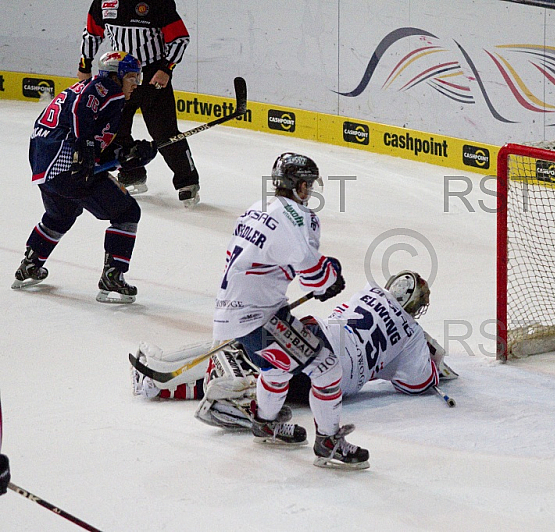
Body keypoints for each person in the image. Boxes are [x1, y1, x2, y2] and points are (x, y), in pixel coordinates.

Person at [130, 271, 457, 426]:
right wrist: (431, 355)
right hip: (329, 375)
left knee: (243, 347)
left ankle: (158, 371)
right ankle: (170, 384)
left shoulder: (369, 292)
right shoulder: (413, 334)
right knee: (251, 367)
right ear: (416, 308)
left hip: (315, 332)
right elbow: (418, 384)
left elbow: (340, 317)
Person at [215, 152, 368, 469]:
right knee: (327, 368)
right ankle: (329, 442)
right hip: (257, 318)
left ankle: (265, 423)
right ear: (299, 186)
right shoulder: (295, 218)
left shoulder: (256, 208)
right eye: (308, 184)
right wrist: (332, 275)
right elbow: (317, 279)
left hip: (234, 313)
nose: (309, 190)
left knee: (277, 368)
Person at [13, 51, 156, 304]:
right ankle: (113, 276)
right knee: (127, 213)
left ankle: (30, 265)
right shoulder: (106, 88)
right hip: (67, 166)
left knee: (61, 215)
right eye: (132, 77)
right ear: (115, 75)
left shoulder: (90, 88)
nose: (136, 83)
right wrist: (85, 148)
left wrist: (129, 154)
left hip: (44, 168)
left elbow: (95, 138)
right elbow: (82, 114)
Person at [79, 0, 200, 207]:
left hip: (153, 76)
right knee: (115, 130)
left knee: (164, 132)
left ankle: (187, 182)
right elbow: (92, 33)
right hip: (117, 77)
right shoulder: (103, 2)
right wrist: (84, 65)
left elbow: (180, 38)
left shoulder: (157, 2)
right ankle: (133, 173)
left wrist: (166, 68)